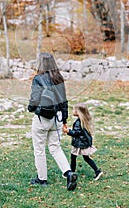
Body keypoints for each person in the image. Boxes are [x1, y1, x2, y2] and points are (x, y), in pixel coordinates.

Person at [28, 52, 78, 191]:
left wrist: (30, 108)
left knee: (39, 149)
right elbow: (64, 100)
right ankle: (69, 173)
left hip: (42, 118)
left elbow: (34, 99)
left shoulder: (38, 78)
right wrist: (65, 120)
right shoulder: (59, 78)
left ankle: (42, 179)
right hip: (58, 117)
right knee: (55, 147)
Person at [63, 102, 103, 180]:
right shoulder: (83, 120)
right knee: (85, 158)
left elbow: (76, 133)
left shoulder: (78, 122)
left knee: (74, 157)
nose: (73, 111)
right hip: (83, 142)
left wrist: (67, 131)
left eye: (74, 110)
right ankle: (97, 171)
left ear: (78, 112)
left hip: (79, 143)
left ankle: (71, 173)